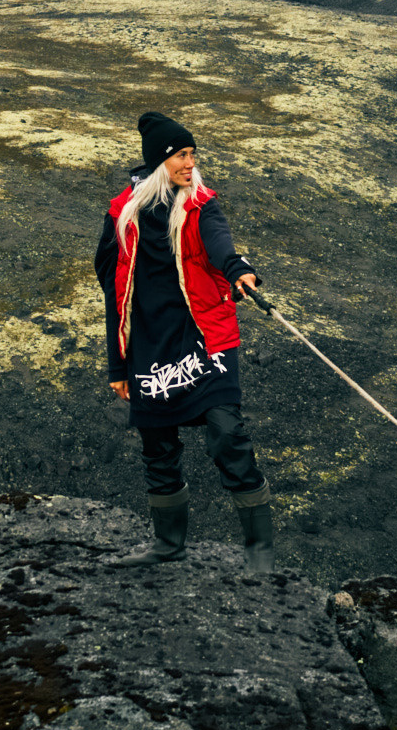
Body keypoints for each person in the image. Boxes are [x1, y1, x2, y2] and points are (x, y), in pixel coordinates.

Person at [94, 110, 275, 572]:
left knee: (227, 434)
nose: (190, 163)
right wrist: (118, 367)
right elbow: (114, 295)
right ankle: (168, 545)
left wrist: (239, 271)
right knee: (157, 446)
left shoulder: (201, 204)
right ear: (160, 161)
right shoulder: (122, 215)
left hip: (204, 336)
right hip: (149, 345)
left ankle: (260, 557)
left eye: (193, 154)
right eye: (181, 155)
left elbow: (219, 246)